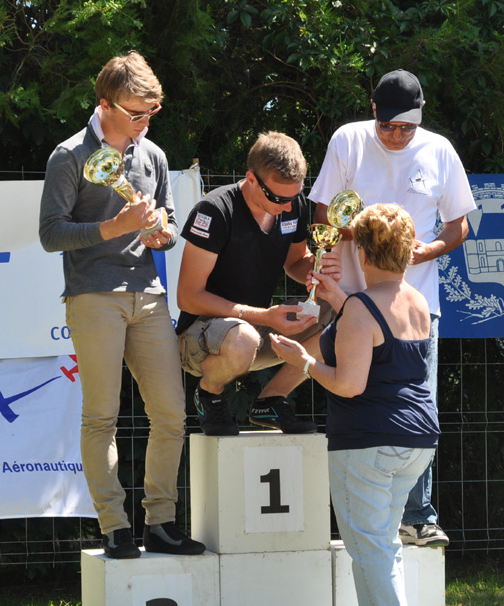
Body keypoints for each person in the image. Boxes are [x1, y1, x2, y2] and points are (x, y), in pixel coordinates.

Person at [38, 52, 205, 559]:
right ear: (104, 104)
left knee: (172, 414)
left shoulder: (151, 155)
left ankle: (161, 523)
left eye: (151, 113)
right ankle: (114, 527)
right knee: (101, 416)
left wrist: (162, 234)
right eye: (136, 114)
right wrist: (116, 227)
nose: (145, 123)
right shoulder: (67, 156)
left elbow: (169, 223)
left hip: (148, 294)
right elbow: (50, 234)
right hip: (93, 295)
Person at [309, 69, 476, 548]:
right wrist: (364, 246)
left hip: (415, 309)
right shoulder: (348, 140)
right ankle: (361, 515)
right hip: (352, 301)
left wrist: (422, 252)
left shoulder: (439, 149)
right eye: (389, 126)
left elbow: (458, 226)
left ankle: (418, 516)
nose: (398, 136)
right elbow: (323, 215)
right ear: (373, 110)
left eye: (408, 127)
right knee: (351, 392)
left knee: (418, 402)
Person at [270, 203, 439, 606]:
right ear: (408, 251)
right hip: (417, 440)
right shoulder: (416, 301)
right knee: (383, 548)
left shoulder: (361, 310)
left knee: (369, 550)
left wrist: (301, 362)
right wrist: (341, 298)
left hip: (368, 442)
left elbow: (349, 384)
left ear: (361, 251)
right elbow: (376, 328)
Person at [175, 131, 340, 436]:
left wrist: (317, 270)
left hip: (254, 329)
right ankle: (209, 393)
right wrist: (263, 316)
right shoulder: (215, 210)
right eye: (277, 198)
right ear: (251, 178)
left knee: (340, 313)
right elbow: (187, 297)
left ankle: (271, 400)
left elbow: (295, 261)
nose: (287, 206)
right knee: (244, 339)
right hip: (200, 336)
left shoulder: (294, 205)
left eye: (294, 196)